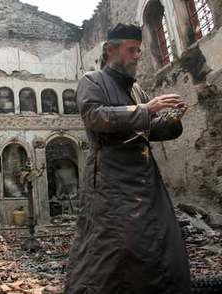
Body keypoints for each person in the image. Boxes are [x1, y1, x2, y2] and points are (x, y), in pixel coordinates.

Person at [64, 23, 192, 294]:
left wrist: (172, 118)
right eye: (131, 50)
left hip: (145, 182)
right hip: (112, 181)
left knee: (161, 241)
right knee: (119, 247)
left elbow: (150, 128)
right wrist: (146, 109)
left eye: (138, 50)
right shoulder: (92, 81)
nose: (137, 56)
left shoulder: (137, 90)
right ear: (111, 50)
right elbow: (96, 117)